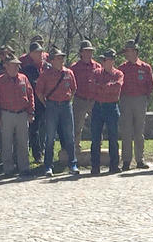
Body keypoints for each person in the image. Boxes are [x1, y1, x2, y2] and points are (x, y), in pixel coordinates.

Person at [35, 46, 80, 176]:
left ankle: (73, 164)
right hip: (52, 106)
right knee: (50, 138)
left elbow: (74, 89)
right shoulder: (45, 75)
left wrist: (67, 101)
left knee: (69, 136)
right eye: (58, 58)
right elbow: (39, 91)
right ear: (52, 61)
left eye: (62, 58)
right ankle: (48, 166)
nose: (61, 60)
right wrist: (46, 103)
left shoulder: (68, 73)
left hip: (66, 106)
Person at [0, 53, 35, 177]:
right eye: (14, 66)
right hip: (6, 114)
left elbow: (30, 95)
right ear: (6, 66)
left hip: (22, 114)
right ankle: (8, 168)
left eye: (17, 66)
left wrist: (31, 112)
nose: (16, 68)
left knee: (23, 142)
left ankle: (24, 167)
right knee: (6, 143)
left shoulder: (23, 78)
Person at [117, 40, 153, 170]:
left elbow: (150, 85)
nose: (126, 54)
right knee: (126, 131)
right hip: (126, 100)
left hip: (140, 100)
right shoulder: (122, 68)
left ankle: (140, 159)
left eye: (128, 51)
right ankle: (126, 161)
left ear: (135, 52)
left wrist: (145, 98)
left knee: (139, 131)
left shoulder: (145, 67)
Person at [90, 50, 124, 174]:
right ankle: (95, 166)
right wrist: (107, 86)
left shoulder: (118, 74)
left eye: (106, 60)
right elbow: (92, 87)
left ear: (112, 61)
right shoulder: (96, 73)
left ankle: (114, 165)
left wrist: (102, 87)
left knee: (113, 137)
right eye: (103, 60)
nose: (103, 62)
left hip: (111, 107)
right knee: (95, 138)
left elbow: (116, 88)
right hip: (98, 107)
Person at [69, 40, 100, 153]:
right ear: (81, 52)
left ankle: (97, 146)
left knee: (97, 124)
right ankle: (75, 148)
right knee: (77, 126)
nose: (88, 54)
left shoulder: (98, 66)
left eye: (90, 52)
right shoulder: (74, 68)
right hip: (80, 99)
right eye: (86, 51)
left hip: (94, 100)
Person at [21, 42, 48, 163]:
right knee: (34, 129)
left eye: (41, 52)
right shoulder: (27, 70)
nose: (40, 54)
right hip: (34, 103)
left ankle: (47, 152)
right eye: (37, 52)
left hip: (49, 102)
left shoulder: (48, 67)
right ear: (31, 54)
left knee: (48, 129)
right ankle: (37, 155)